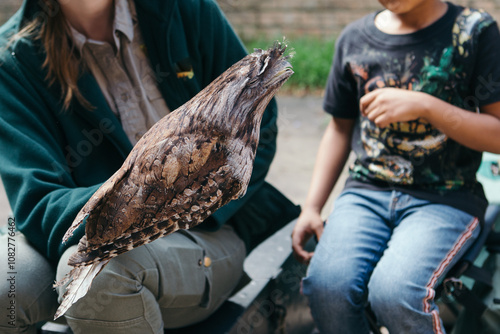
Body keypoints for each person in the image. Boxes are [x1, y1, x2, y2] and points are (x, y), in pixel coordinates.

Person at [0, 0, 300, 333]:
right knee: (5, 284)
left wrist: (192, 198)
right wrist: (129, 204)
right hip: (74, 230)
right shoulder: (12, 56)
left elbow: (261, 128)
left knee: (107, 278)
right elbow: (38, 199)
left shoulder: (182, 8)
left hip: (201, 230)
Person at [291, 0, 500, 333]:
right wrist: (312, 207)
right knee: (327, 288)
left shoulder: (475, 32)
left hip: (445, 198)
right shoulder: (354, 39)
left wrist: (426, 106)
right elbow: (340, 128)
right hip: (365, 193)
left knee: (395, 293)